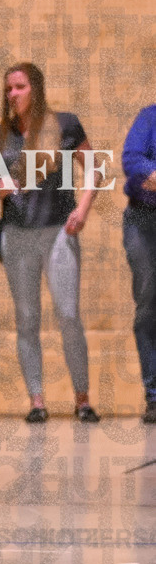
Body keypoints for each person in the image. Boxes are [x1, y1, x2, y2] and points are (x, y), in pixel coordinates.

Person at [0, 62, 100, 423]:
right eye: (8, 88)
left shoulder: (65, 124)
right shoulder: (1, 134)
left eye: (19, 87)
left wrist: (83, 209)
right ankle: (36, 401)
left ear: (35, 89)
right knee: (26, 319)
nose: (13, 94)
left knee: (68, 315)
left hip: (58, 232)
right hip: (17, 234)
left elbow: (95, 168)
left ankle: (82, 399)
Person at [121, 105, 156, 424]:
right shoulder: (149, 117)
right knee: (148, 302)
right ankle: (154, 395)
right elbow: (131, 160)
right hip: (144, 219)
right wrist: (151, 173)